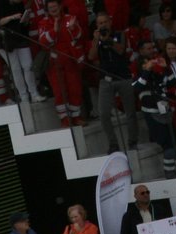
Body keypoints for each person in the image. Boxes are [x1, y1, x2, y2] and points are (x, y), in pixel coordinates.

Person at [91, 16, 140, 150]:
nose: (103, 25)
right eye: (100, 23)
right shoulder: (96, 38)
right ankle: (113, 143)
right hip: (105, 79)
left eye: (105, 22)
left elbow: (121, 50)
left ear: (110, 22)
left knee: (130, 112)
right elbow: (91, 56)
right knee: (104, 113)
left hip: (123, 77)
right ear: (97, 25)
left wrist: (108, 40)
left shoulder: (119, 34)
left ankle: (132, 142)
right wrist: (96, 40)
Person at [38, 0, 88, 126]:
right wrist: (54, 30)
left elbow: (79, 36)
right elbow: (42, 42)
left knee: (75, 89)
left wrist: (73, 28)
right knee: (60, 92)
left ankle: (76, 117)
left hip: (71, 61)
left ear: (60, 7)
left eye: (55, 6)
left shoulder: (70, 18)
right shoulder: (43, 23)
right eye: (50, 7)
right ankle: (65, 119)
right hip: (54, 63)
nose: (53, 9)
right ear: (47, 10)